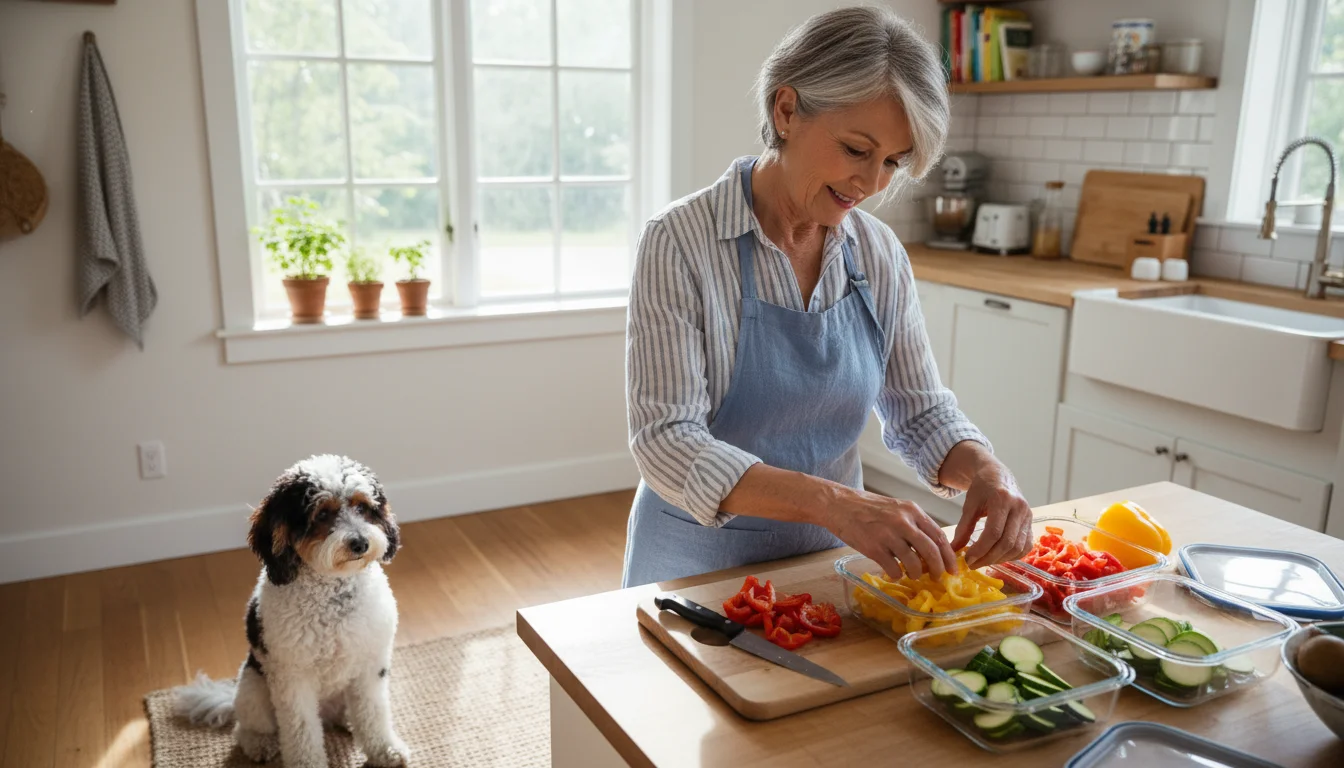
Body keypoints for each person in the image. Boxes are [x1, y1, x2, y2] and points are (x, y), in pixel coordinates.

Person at [621, 6, 1033, 588]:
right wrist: (835, 502)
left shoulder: (879, 253)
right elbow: (667, 440)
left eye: (893, 161)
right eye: (856, 150)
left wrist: (988, 469)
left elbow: (920, 412)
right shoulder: (680, 242)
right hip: (694, 571)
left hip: (828, 564)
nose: (873, 184)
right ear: (786, 110)